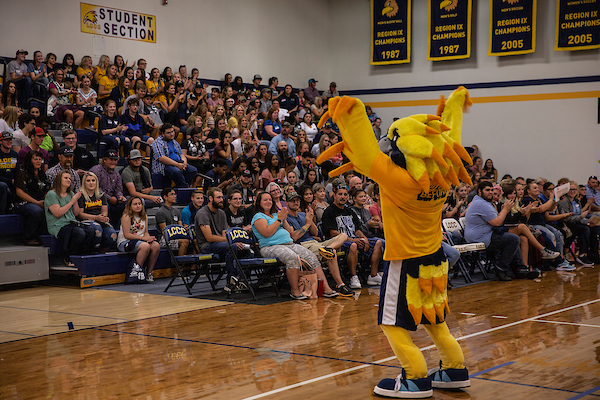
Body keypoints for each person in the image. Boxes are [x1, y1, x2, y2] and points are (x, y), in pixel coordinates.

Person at [251, 190, 321, 300]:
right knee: (292, 257)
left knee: (310, 256)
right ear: (259, 202)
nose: (268, 201)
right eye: (265, 200)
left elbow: (290, 231)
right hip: (269, 247)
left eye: (270, 199)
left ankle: (324, 289)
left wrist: (283, 219)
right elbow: (267, 233)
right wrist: (279, 220)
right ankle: (295, 291)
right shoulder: (258, 217)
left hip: (288, 244)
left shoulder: (275, 215)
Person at [465, 181, 541, 280]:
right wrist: (505, 209)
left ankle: (521, 269)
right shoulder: (481, 204)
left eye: (492, 190)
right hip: (479, 237)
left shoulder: (483, 202)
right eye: (487, 190)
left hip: (486, 233)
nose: (491, 192)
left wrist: (519, 212)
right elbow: (497, 222)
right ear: (480, 191)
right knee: (513, 239)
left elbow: (498, 219)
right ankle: (501, 268)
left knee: (517, 238)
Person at [285, 191, 354, 296]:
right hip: (303, 245)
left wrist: (311, 219)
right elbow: (293, 237)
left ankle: (328, 248)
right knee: (332, 253)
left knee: (343, 236)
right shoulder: (286, 218)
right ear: (287, 202)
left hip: (316, 242)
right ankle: (340, 285)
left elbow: (315, 232)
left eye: (298, 200)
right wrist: (307, 223)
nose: (296, 203)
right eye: (293, 201)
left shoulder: (303, 214)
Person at [322, 183, 384, 289]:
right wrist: (353, 240)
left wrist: (364, 238)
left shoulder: (350, 210)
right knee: (353, 246)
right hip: (339, 242)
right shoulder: (329, 211)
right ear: (335, 196)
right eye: (340, 194)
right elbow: (333, 233)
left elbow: (357, 229)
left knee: (377, 243)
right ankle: (353, 276)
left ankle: (373, 275)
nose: (343, 197)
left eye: (345, 194)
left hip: (354, 239)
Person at [45, 170, 95, 267]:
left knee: (90, 230)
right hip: (58, 225)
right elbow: (57, 213)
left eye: (69, 178)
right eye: (66, 178)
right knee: (79, 233)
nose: (69, 180)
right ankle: (68, 257)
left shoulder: (70, 194)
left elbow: (75, 213)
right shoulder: (51, 194)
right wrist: (72, 201)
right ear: (59, 180)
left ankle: (82, 256)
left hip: (71, 223)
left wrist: (75, 199)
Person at [522, 181, 574, 271]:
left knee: (558, 234)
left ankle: (561, 259)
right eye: (534, 188)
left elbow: (549, 209)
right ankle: (557, 261)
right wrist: (550, 199)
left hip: (542, 223)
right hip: (533, 224)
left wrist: (555, 201)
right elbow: (541, 209)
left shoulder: (539, 199)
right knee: (551, 235)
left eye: (537, 187)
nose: (537, 189)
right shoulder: (527, 200)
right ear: (528, 191)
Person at [117, 196, 160, 282]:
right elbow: (127, 235)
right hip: (125, 242)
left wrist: (148, 238)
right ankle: (137, 271)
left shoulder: (144, 216)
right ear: (130, 206)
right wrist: (143, 238)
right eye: (135, 204)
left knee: (156, 245)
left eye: (139, 204)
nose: (138, 206)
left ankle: (149, 273)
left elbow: (146, 232)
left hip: (140, 240)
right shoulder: (126, 216)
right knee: (145, 246)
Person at [558, 181, 599, 265]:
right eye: (570, 189)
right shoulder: (564, 201)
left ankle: (592, 254)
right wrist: (582, 218)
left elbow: (580, 215)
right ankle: (582, 254)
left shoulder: (576, 201)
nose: (572, 191)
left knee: (592, 228)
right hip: (567, 223)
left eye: (574, 189)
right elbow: (567, 218)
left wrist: (587, 222)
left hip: (577, 221)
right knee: (584, 229)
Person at [14, 150, 49, 244]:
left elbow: (47, 189)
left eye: (40, 159)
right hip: (22, 202)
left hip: (40, 201)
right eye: (35, 159)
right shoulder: (23, 172)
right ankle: (28, 237)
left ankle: (45, 237)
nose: (38, 161)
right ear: (29, 160)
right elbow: (19, 192)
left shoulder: (42, 173)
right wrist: (36, 202)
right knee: (37, 211)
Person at [77, 171, 117, 250]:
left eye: (93, 180)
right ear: (84, 183)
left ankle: (102, 251)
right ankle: (92, 250)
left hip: (99, 219)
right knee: (97, 230)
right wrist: (96, 217)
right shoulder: (80, 195)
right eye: (88, 181)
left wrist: (103, 217)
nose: (91, 183)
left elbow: (104, 211)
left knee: (112, 234)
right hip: (86, 221)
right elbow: (80, 214)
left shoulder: (101, 195)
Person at [152, 123, 198, 188]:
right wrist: (177, 165)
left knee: (193, 170)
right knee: (177, 172)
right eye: (168, 133)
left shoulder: (174, 142)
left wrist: (184, 163)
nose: (172, 134)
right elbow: (162, 158)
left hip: (178, 163)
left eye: (172, 131)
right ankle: (184, 188)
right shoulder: (157, 142)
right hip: (165, 166)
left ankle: (178, 188)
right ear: (162, 134)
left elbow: (181, 154)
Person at [90, 149, 127, 227]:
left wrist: (120, 196)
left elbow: (118, 189)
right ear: (104, 160)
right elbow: (95, 189)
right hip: (97, 199)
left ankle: (123, 228)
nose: (113, 162)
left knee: (128, 202)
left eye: (115, 160)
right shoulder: (96, 170)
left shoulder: (116, 174)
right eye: (111, 159)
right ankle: (107, 226)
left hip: (113, 199)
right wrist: (109, 198)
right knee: (106, 204)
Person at [0, 132, 18, 215]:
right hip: (2, 184)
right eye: (6, 140)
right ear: (0, 142)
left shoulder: (15, 155)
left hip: (12, 183)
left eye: (10, 140)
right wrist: (10, 181)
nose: (9, 142)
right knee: (3, 186)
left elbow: (17, 172)